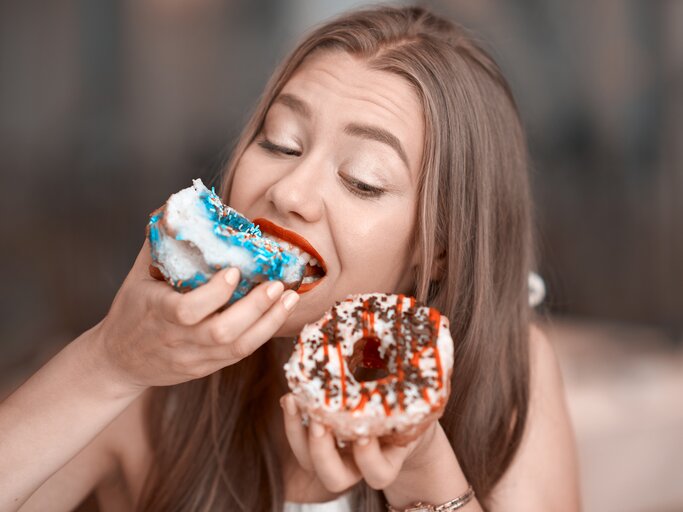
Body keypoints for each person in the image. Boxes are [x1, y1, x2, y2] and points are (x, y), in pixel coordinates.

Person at [0, 5, 580, 511]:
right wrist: (109, 362)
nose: (289, 193)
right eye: (279, 143)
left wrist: (420, 467)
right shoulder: (152, 382)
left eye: (363, 181)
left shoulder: (509, 366)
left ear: (440, 255)